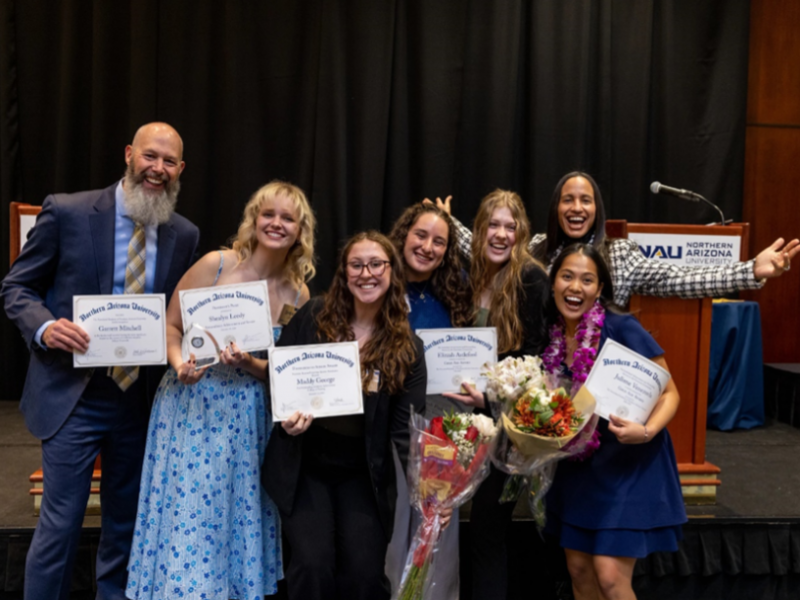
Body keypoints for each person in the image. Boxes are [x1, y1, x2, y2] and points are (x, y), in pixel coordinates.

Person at [1, 122, 199, 600]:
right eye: (150, 156)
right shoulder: (67, 211)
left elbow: (178, 316)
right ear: (129, 154)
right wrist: (47, 328)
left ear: (180, 170)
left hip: (139, 401)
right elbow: (16, 287)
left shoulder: (184, 234)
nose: (158, 169)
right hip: (73, 396)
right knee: (60, 526)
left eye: (169, 162)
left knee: (126, 523)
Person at [125, 181, 315, 599]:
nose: (276, 224)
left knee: (235, 514)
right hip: (192, 406)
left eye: (288, 218)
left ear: (301, 230)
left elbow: (284, 370)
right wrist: (179, 365)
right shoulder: (215, 265)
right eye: (269, 214)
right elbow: (171, 327)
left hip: (249, 419)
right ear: (254, 218)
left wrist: (249, 362)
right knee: (191, 515)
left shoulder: (297, 292)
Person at [262, 231, 427, 600]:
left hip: (363, 475)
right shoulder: (314, 316)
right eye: (356, 264)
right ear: (344, 272)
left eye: (376, 264)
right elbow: (279, 376)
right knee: (312, 564)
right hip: (305, 465)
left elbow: (406, 434)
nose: (366, 273)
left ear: (391, 271)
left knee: (364, 574)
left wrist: (431, 493)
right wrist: (288, 422)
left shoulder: (408, 348)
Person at [541, 243, 686, 600]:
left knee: (609, 576)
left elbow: (671, 394)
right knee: (579, 572)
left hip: (627, 463)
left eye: (587, 280)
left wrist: (647, 430)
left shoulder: (622, 328)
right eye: (567, 276)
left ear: (600, 289)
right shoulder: (550, 336)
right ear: (553, 282)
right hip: (578, 469)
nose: (576, 288)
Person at [437, 171, 799, 306]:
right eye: (568, 199)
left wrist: (751, 270)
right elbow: (486, 246)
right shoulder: (534, 249)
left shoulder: (622, 255)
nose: (576, 208)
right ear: (556, 207)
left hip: (598, 380)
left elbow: (682, 278)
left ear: (597, 209)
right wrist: (445, 223)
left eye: (585, 200)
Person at [442, 189, 550, 600]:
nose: (502, 234)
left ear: (522, 232)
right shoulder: (467, 274)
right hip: (462, 424)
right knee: (456, 527)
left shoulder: (530, 279)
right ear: (479, 229)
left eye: (511, 226)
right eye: (493, 224)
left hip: (508, 432)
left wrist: (489, 402)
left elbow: (536, 368)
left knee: (488, 530)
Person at [385, 203, 472, 599]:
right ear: (403, 235)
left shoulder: (455, 295)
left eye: (439, 241)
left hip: (438, 432)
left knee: (435, 536)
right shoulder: (376, 284)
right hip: (385, 432)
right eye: (420, 235)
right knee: (388, 533)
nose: (427, 247)